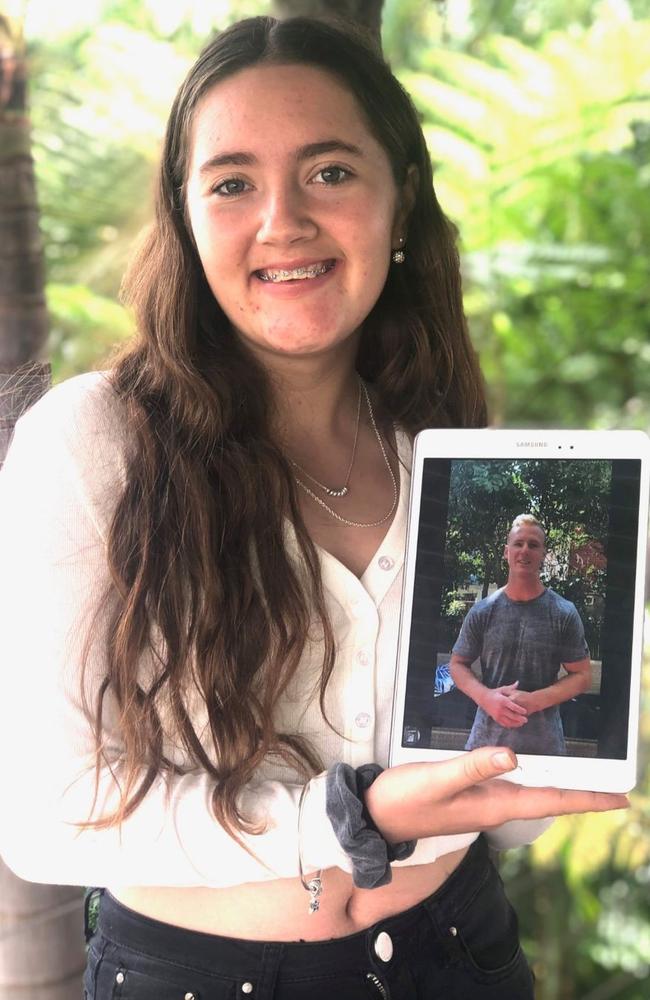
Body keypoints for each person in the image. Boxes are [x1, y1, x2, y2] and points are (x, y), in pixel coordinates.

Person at [0, 17, 624, 1000]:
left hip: (461, 952)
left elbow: (504, 815)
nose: (281, 219)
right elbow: (43, 816)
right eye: (232, 182)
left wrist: (563, 728)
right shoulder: (93, 444)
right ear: (185, 213)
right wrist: (348, 814)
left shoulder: (442, 448)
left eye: (329, 171)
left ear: (401, 199)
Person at [450, 514, 592, 755]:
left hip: (545, 749)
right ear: (507, 552)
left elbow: (582, 675)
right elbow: (457, 665)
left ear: (543, 555)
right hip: (486, 746)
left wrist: (534, 701)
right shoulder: (483, 610)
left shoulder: (563, 612)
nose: (524, 550)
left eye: (533, 545)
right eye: (518, 543)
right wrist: (486, 698)